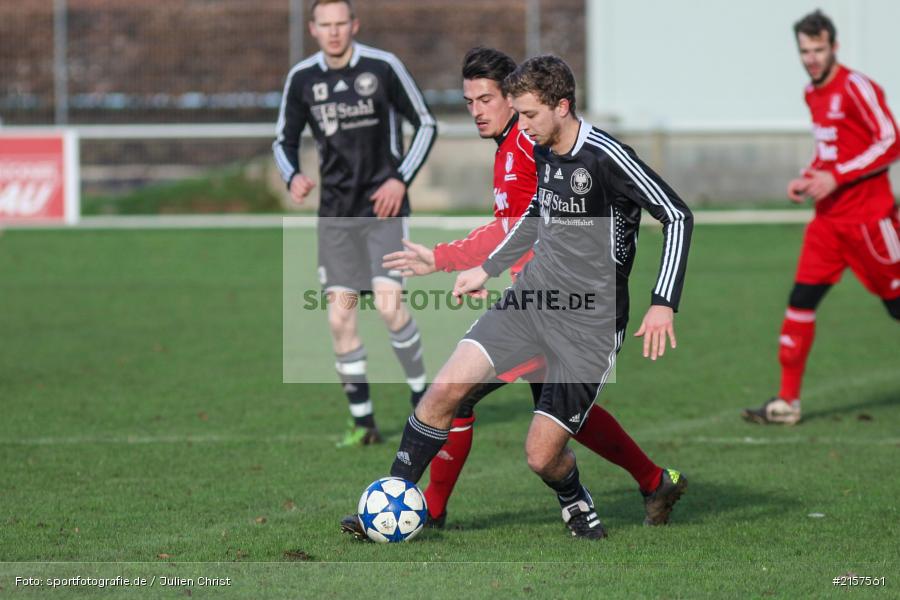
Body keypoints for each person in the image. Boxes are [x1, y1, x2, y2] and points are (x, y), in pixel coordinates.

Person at [356, 55, 693, 540]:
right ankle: (394, 501)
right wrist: (486, 268)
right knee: (445, 391)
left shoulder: (606, 156)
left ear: (562, 106)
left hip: (588, 322)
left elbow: (677, 215)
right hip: (531, 299)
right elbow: (535, 215)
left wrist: (663, 302)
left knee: (541, 454)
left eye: (530, 114)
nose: (524, 125)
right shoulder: (540, 146)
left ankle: (583, 498)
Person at [273, 0, 437, 446]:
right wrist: (293, 176)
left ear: (354, 25)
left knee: (389, 307)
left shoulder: (383, 68)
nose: (333, 32)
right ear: (312, 29)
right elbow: (283, 140)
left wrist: (400, 179)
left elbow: (425, 123)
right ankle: (363, 423)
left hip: (383, 212)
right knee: (339, 317)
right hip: (336, 217)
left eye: (340, 23)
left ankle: (424, 400)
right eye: (325, 24)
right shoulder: (302, 78)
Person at [742, 10, 900, 426]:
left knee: (896, 307)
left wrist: (837, 176)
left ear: (834, 47)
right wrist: (810, 176)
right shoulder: (812, 93)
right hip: (828, 224)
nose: (811, 59)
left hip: (869, 221)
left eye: (818, 50)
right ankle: (787, 402)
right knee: (801, 300)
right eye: (805, 51)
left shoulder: (856, 87)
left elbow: (891, 141)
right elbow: (830, 152)